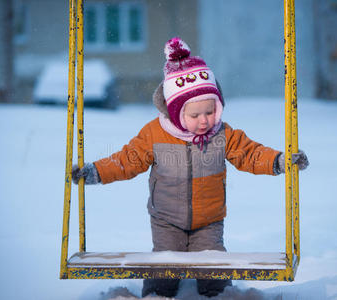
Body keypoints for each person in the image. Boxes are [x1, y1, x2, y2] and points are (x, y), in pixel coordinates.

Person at [72, 37, 309, 298]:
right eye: (194, 115)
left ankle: (218, 295)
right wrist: (95, 171)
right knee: (163, 269)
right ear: (176, 112)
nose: (204, 120)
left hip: (209, 221)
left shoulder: (223, 134)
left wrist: (278, 161)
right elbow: (128, 160)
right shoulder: (155, 133)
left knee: (213, 270)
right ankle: (156, 295)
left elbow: (250, 154)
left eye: (210, 111)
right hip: (166, 220)